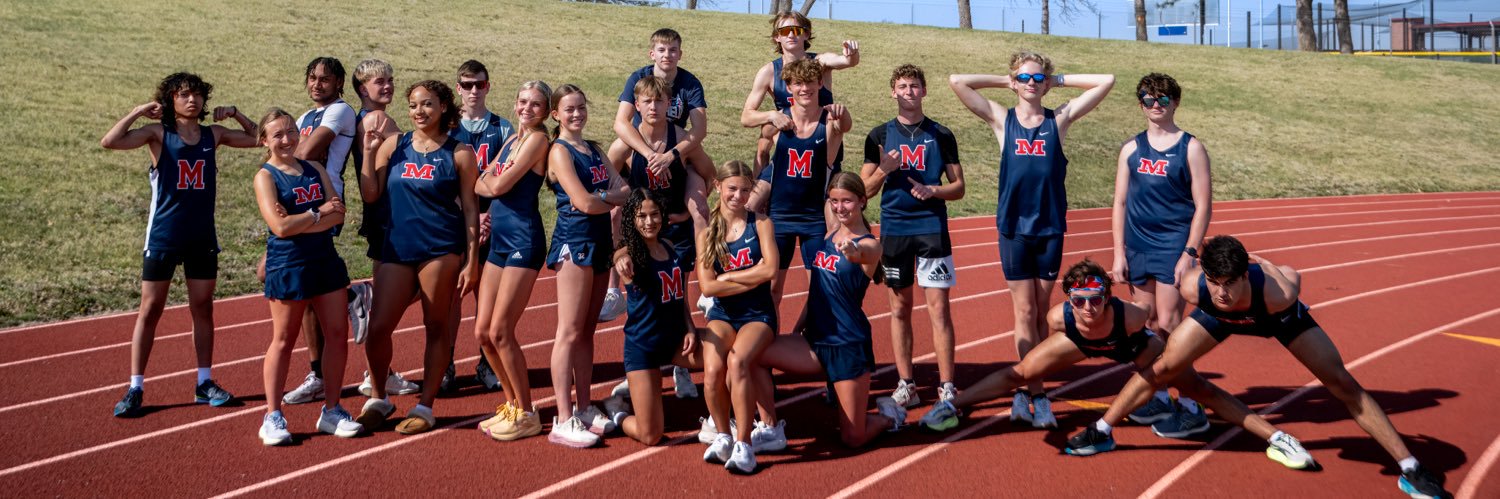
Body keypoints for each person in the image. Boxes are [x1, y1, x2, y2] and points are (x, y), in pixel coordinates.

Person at [1063, 235, 1451, 499]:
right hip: (1219, 320)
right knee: (1163, 368)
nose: (1222, 291)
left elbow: (1290, 277)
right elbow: (1211, 295)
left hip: (1275, 318)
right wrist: (1214, 296)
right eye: (1215, 282)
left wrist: (1268, 267)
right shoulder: (1196, 289)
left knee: (1341, 382)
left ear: (1245, 273)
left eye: (1230, 282)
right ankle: (1102, 430)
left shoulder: (1279, 291)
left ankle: (1410, 465)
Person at [918, 259, 1274, 447]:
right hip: (1081, 343)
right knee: (1020, 373)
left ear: (1107, 297)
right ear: (1069, 302)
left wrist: (1159, 370)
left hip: (1129, 345)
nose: (1088, 308)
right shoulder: (1059, 318)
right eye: (1079, 301)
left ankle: (1267, 433)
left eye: (1096, 300)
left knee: (1196, 384)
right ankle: (954, 405)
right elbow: (1054, 337)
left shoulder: (1130, 315)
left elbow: (1153, 338)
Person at [949, 51, 1114, 428]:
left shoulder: (1059, 120)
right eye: (1023, 78)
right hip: (1013, 228)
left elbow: (1106, 80)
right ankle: (1038, 395)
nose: (1030, 84)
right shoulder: (1002, 119)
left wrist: (1057, 81)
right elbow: (958, 80)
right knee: (1024, 312)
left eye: (1037, 79)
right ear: (1014, 81)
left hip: (1050, 227)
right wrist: (1005, 79)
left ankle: (1025, 390)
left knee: (1040, 313)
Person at [100, 72, 257, 417]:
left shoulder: (213, 135)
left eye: (198, 94)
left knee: (203, 307)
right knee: (150, 309)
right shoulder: (158, 134)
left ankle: (204, 382)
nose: (192, 100)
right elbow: (110, 141)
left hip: (201, 236)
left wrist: (236, 114)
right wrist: (139, 111)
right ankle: (135, 386)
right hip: (163, 236)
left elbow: (261, 139)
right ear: (170, 100)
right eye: (184, 94)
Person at [748, 172, 907, 457]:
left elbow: (867, 252)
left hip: (846, 345)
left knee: (852, 438)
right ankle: (771, 428)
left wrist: (852, 249)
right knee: (752, 354)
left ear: (862, 201)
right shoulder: (830, 233)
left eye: (846, 201)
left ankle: (889, 416)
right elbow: (818, 290)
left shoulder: (869, 243)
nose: (839, 207)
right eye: (834, 201)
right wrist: (798, 327)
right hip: (815, 342)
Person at [354, 80, 480, 435]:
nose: (418, 111)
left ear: (443, 107)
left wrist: (471, 261)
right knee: (378, 328)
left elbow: (471, 210)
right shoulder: (394, 144)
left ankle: (425, 405)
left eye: (427, 104)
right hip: (396, 247)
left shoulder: (459, 153)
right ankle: (378, 398)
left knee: (436, 325)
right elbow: (370, 193)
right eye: (412, 105)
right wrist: (367, 151)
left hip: (440, 249)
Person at [250, 108, 363, 445]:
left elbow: (338, 214)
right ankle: (272, 415)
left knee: (337, 333)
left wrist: (307, 218)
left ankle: (331, 409)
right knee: (283, 339)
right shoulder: (266, 177)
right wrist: (317, 212)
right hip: (289, 265)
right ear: (264, 141)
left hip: (324, 259)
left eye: (290, 132)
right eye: (278, 135)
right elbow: (280, 228)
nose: (286, 139)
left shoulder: (314, 168)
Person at [1108, 72, 1213, 431]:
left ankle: (1189, 403)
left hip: (1172, 246)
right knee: (1147, 327)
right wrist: (1118, 253)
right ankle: (1154, 397)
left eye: (1163, 99)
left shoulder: (1191, 148)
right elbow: (1120, 202)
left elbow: (1203, 206)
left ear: (1175, 102)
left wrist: (1190, 251)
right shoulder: (1132, 149)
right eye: (1148, 100)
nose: (1156, 106)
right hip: (1137, 247)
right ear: (1140, 104)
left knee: (1169, 324)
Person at [858, 64, 965, 408]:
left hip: (931, 229)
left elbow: (959, 188)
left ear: (924, 91)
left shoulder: (942, 134)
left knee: (939, 310)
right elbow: (863, 192)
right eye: (902, 86)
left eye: (915, 86)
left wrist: (934, 190)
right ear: (893, 92)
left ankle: (947, 385)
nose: (908, 91)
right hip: (895, 230)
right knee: (899, 309)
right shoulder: (878, 136)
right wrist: (884, 170)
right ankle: (907, 383)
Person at [607, 75, 716, 401]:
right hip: (641, 232)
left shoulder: (680, 138)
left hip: (674, 229)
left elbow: (709, 173)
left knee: (675, 293)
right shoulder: (626, 143)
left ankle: (680, 366)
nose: (653, 107)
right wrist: (625, 208)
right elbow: (610, 178)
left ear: (671, 105)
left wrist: (687, 208)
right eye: (647, 102)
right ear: (636, 106)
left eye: (660, 101)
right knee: (642, 301)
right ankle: (641, 367)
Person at [603, 28, 712, 327]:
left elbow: (699, 131)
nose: (667, 55)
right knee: (613, 210)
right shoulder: (638, 78)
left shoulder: (689, 83)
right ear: (652, 54)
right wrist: (648, 152)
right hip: (643, 149)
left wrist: (672, 155)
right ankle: (613, 291)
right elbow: (620, 123)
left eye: (673, 50)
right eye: (662, 50)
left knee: (700, 207)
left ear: (680, 53)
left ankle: (707, 286)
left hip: (678, 151)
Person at [543, 84, 631, 448]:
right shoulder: (559, 152)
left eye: (581, 107)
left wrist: (605, 197)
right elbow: (581, 202)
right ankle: (562, 417)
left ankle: (583, 405)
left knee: (587, 331)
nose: (577, 114)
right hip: (574, 242)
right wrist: (606, 198)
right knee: (569, 330)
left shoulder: (594, 149)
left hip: (599, 244)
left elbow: (624, 189)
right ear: (556, 114)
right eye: (569, 109)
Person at [282, 57, 371, 406]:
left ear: (338, 84)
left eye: (326, 79)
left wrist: (279, 162)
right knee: (305, 296)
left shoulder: (340, 112)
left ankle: (350, 295)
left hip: (323, 200)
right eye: (313, 78)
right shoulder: (304, 117)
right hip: (298, 200)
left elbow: (302, 152)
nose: (318, 84)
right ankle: (317, 374)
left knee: (294, 281)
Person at [472, 81, 551, 442]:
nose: (527, 109)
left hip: (523, 240)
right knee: (483, 332)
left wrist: (489, 181)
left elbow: (496, 185)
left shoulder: (537, 139)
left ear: (546, 111)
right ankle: (511, 403)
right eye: (522, 102)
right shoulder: (509, 141)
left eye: (536, 104)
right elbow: (481, 184)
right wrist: (489, 182)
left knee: (502, 330)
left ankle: (528, 412)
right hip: (501, 242)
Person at [600, 189, 707, 446]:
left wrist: (690, 328)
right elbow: (618, 254)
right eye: (642, 216)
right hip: (644, 347)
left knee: (723, 354)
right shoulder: (631, 254)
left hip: (675, 340)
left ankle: (720, 421)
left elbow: (680, 297)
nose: (650, 222)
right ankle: (618, 413)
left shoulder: (669, 246)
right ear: (632, 220)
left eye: (655, 214)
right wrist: (619, 257)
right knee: (651, 435)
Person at [747, 59, 850, 317]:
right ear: (789, 87)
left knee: (820, 288)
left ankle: (808, 342)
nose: (805, 88)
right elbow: (760, 150)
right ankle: (768, 345)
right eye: (798, 83)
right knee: (772, 291)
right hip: (780, 217)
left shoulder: (830, 121)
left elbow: (843, 126)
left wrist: (843, 112)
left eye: (810, 82)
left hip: (813, 219)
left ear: (819, 84)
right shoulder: (777, 124)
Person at [697, 161, 779, 474]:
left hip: (757, 314)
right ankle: (723, 434)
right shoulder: (707, 231)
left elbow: (771, 271)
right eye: (733, 188)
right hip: (723, 313)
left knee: (738, 362)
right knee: (713, 368)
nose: (739, 195)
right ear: (718, 186)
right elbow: (707, 286)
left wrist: (728, 280)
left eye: (745, 189)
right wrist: (750, 275)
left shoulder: (761, 223)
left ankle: (744, 444)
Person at [349, 58, 422, 400]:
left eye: (391, 80)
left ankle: (377, 373)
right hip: (390, 214)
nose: (388, 86)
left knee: (384, 311)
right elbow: (387, 167)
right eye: (380, 82)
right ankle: (365, 297)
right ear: (363, 88)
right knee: (408, 290)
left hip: (382, 214)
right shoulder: (376, 119)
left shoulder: (366, 117)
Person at [445, 59, 516, 392]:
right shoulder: (445, 127)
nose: (474, 90)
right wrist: (468, 214)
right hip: (452, 223)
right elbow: (440, 179)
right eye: (467, 84)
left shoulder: (503, 129)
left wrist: (489, 215)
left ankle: (487, 364)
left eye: (480, 84)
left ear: (488, 86)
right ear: (458, 88)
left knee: (488, 301)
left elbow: (510, 179)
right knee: (449, 299)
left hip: (493, 223)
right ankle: (444, 364)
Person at [740, 11, 858, 172]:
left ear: (806, 34)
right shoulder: (769, 71)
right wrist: (772, 115)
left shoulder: (820, 62)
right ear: (777, 37)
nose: (790, 35)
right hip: (792, 142)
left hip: (824, 141)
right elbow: (746, 117)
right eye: (784, 31)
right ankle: (759, 187)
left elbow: (845, 61)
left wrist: (851, 54)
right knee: (766, 131)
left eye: (796, 30)